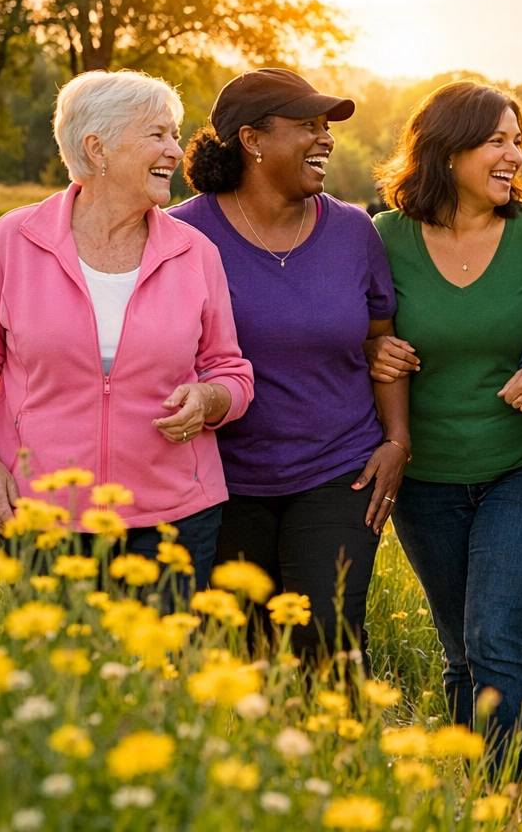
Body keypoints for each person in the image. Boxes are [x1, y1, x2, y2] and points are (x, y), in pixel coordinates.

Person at [0, 70, 254, 595]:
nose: (176, 151)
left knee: (161, 675)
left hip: (173, 517)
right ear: (96, 147)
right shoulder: (12, 242)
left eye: (173, 135)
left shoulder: (195, 252)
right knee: (51, 676)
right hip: (40, 514)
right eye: (158, 134)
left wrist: (209, 397)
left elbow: (230, 370)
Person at [170, 68, 409, 660]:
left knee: (326, 644)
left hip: (337, 470)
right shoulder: (179, 235)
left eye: (326, 127)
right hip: (222, 478)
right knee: (241, 655)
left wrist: (398, 440)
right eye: (308, 126)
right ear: (252, 140)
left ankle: (336, 754)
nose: (326, 139)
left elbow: (383, 342)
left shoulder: (353, 230)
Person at [364, 80, 522, 767]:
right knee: (459, 649)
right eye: (496, 141)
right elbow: (355, 329)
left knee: (496, 637)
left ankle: (508, 797)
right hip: (425, 481)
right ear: (448, 152)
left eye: (518, 141)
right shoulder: (384, 238)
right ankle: (470, 794)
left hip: (519, 469)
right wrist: (369, 348)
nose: (513, 155)